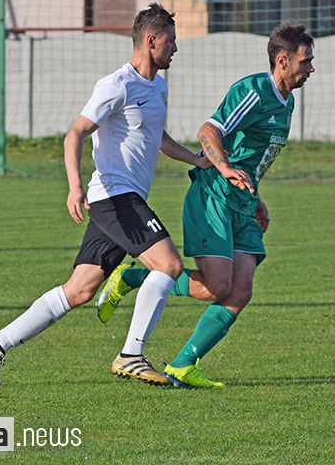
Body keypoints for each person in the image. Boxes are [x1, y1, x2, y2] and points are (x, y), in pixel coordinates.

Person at [0, 3, 211, 387]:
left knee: (80, 290)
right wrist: (74, 186)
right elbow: (75, 134)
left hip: (120, 199)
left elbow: (158, 139)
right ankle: (132, 354)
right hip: (115, 197)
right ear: (151, 41)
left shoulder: (159, 86)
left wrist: (196, 161)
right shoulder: (116, 85)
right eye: (171, 41)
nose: (175, 48)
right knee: (168, 266)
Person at [95, 21, 315, 387]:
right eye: (305, 61)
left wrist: (256, 196)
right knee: (216, 287)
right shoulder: (254, 90)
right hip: (214, 194)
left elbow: (254, 155)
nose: (310, 69)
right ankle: (134, 275)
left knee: (240, 290)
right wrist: (225, 167)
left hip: (243, 201)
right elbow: (208, 132)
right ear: (282, 60)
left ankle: (182, 364)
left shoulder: (286, 101)